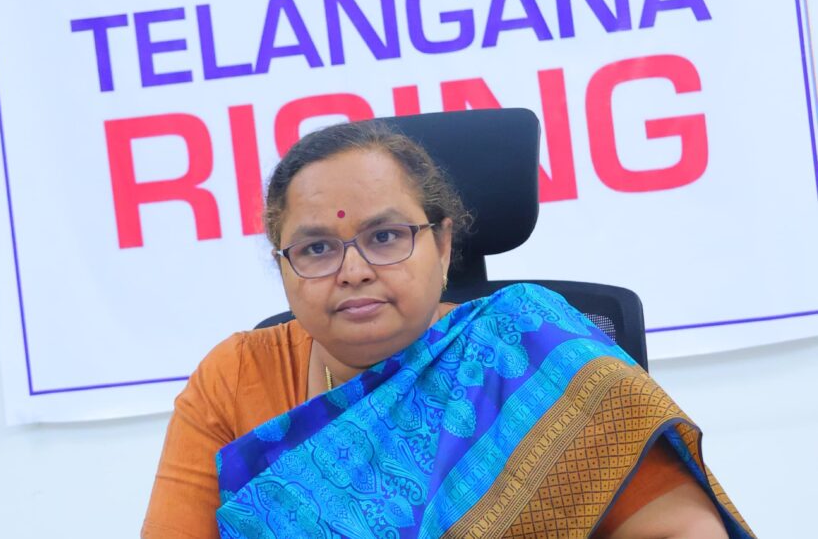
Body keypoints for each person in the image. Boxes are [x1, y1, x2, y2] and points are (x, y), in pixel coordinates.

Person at [142, 121, 753, 538]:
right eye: (317, 248)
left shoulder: (531, 344)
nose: (353, 271)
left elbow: (683, 530)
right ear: (283, 266)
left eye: (385, 237)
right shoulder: (236, 377)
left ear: (442, 243)